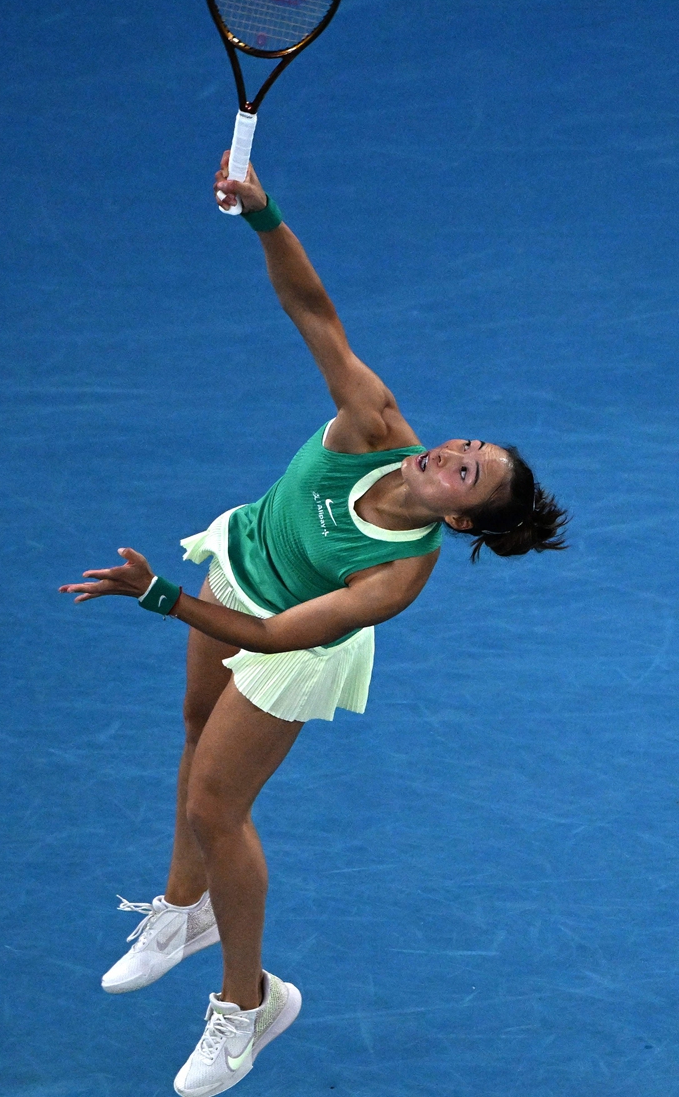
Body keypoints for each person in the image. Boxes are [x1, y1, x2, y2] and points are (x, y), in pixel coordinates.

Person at [59, 152, 568, 1097]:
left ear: (461, 522)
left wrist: (158, 595)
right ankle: (184, 908)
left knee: (217, 807)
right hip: (241, 563)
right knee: (192, 730)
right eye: (465, 443)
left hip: (291, 643)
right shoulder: (375, 424)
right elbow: (313, 310)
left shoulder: (396, 576)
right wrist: (263, 213)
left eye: (466, 472)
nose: (450, 452)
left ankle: (249, 1005)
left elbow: (270, 640)